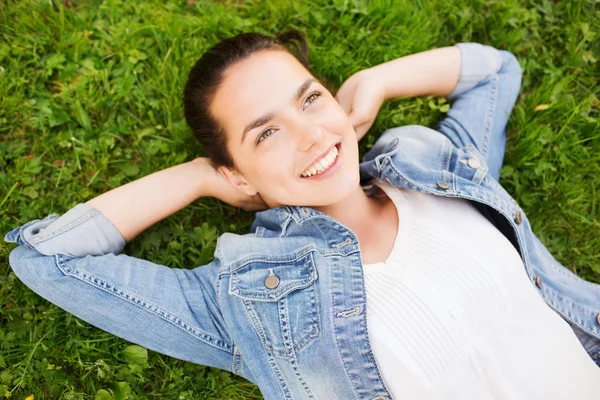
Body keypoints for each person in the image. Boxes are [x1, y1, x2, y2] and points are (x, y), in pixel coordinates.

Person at [5, 30, 600, 399]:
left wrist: (378, 81)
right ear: (236, 173)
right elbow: (47, 260)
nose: (311, 134)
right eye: (266, 134)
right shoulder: (248, 300)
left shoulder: (436, 169)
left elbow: (496, 71)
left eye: (310, 98)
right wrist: (196, 178)